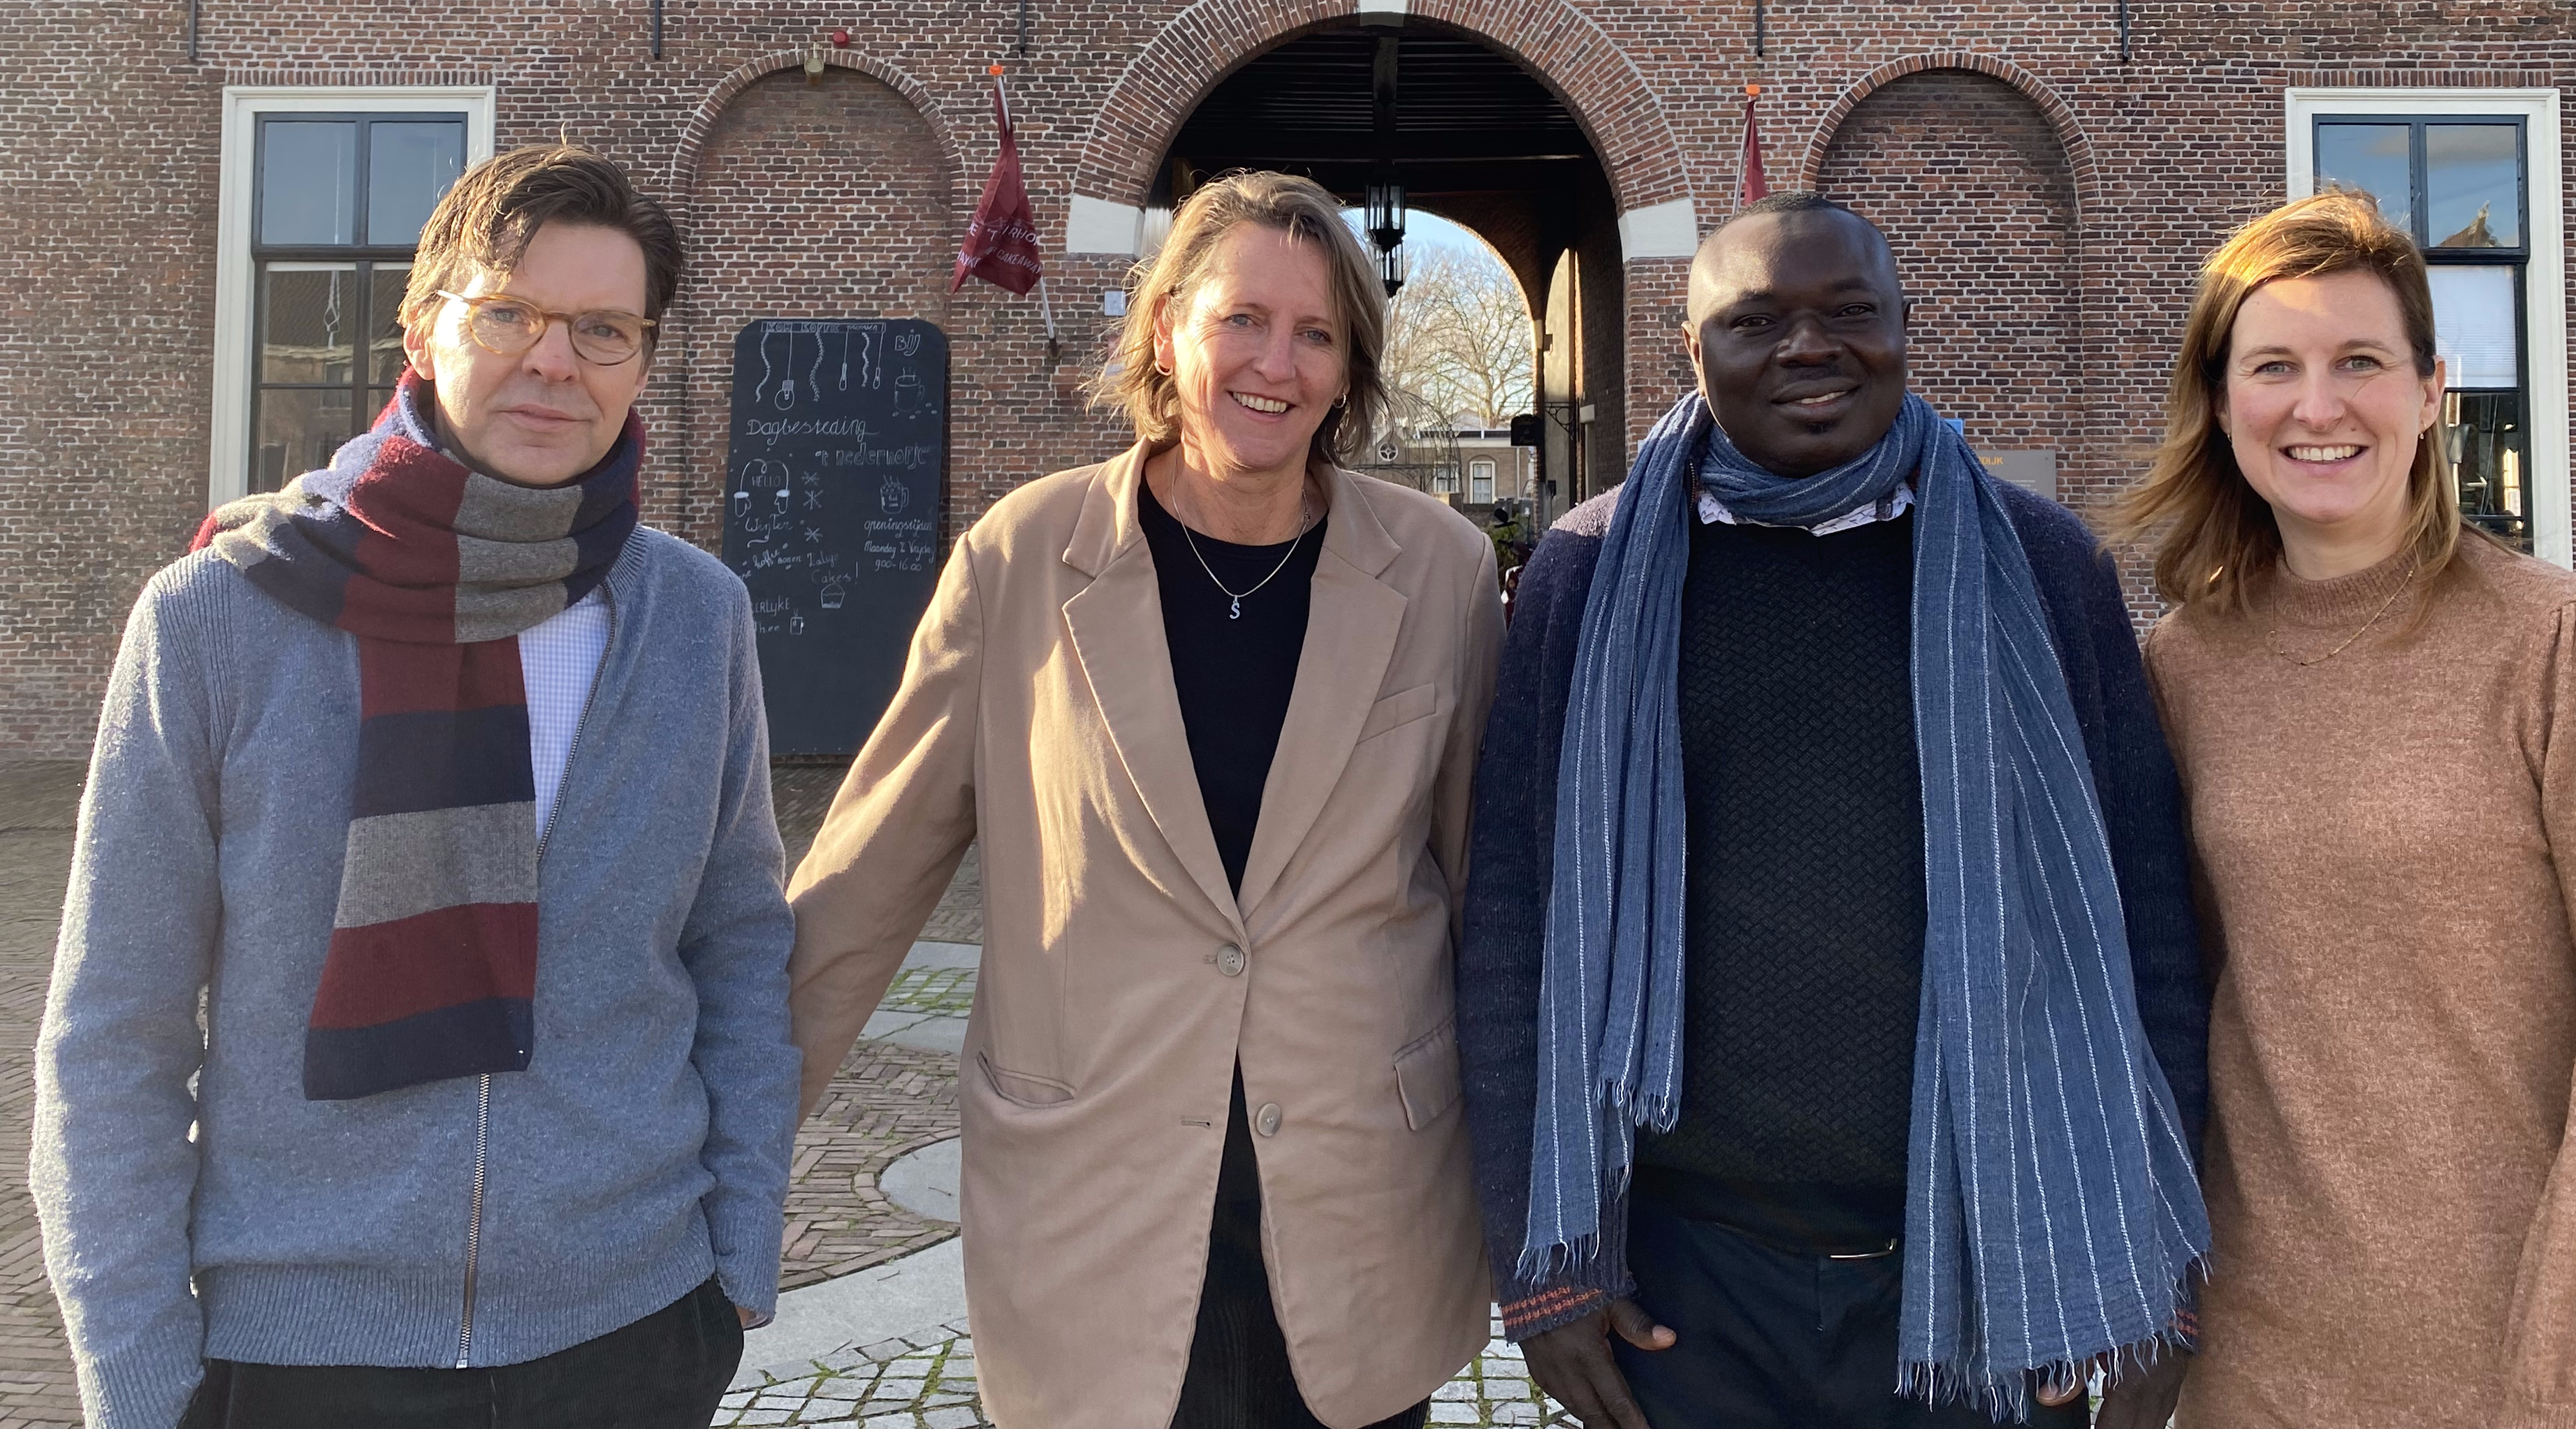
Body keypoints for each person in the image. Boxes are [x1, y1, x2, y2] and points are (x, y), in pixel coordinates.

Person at [33, 144, 799, 1429]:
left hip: (631, 1332)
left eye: (604, 329)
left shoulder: (695, 618)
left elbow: (736, 946)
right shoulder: (222, 619)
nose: (555, 361)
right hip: (297, 1352)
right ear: (422, 321)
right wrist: (141, 1375)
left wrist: (735, 1260)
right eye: (510, 312)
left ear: (646, 360)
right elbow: (115, 1028)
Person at [1457, 193, 2210, 1429]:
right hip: (1687, 1278)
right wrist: (1544, 1275)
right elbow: (1509, 922)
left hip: (1995, 1250)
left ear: (1907, 330)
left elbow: (2145, 925)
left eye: (1849, 314)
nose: (1810, 349)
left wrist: (2158, 1282)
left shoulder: (2044, 567)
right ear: (1691, 357)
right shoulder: (1589, 578)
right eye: (1757, 322)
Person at [785, 170, 1504, 1429]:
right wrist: (726, 1164)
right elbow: (862, 878)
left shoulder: (1439, 570)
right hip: (1091, 1211)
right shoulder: (1021, 557)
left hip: (1359, 1213)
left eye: (1318, 332)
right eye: (1242, 318)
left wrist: (1566, 1214)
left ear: (1350, 369)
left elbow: (1494, 899)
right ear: (1167, 328)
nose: (1274, 362)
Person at [2112, 189, 2576, 1429]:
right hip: (2261, 1362)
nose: (2318, 404)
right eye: (2273, 366)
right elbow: (2178, 1003)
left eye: (2360, 362)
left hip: (2529, 1366)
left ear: (2433, 388)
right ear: (2222, 402)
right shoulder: (2182, 670)